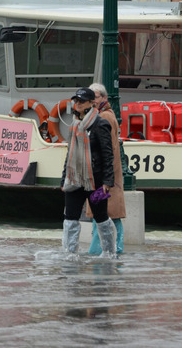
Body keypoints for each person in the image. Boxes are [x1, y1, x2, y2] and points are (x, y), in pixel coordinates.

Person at [60, 87, 116, 257]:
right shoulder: (75, 124)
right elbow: (69, 153)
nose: (77, 104)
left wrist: (107, 182)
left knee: (101, 217)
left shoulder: (101, 124)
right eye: (75, 101)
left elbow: (108, 154)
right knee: (70, 217)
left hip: (96, 181)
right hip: (75, 180)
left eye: (81, 101)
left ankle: (109, 252)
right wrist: (63, 179)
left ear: (91, 103)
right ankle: (70, 253)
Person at [88, 83, 126, 256]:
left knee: (103, 215)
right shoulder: (107, 115)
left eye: (95, 96)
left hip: (105, 177)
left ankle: (99, 252)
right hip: (109, 175)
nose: (92, 100)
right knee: (109, 215)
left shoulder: (104, 117)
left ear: (104, 97)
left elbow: (106, 149)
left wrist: (105, 177)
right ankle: (114, 250)